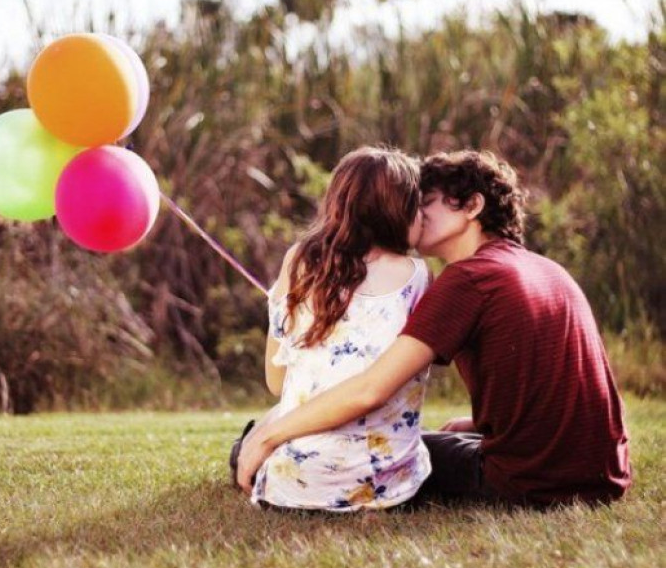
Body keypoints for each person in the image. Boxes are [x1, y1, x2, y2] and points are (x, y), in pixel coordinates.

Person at [237, 150, 631, 507]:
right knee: (433, 437)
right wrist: (476, 426)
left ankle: (254, 444)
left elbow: (371, 389)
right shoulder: (544, 269)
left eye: (425, 202)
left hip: (529, 483)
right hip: (603, 474)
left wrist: (269, 436)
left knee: (384, 448)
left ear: (472, 206)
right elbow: (562, 391)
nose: (416, 213)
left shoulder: (468, 280)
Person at [230, 146, 432, 511]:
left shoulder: (299, 261)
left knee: (255, 434)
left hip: (297, 485)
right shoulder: (418, 276)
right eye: (417, 205)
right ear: (398, 209)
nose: (424, 216)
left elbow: (276, 383)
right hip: (389, 486)